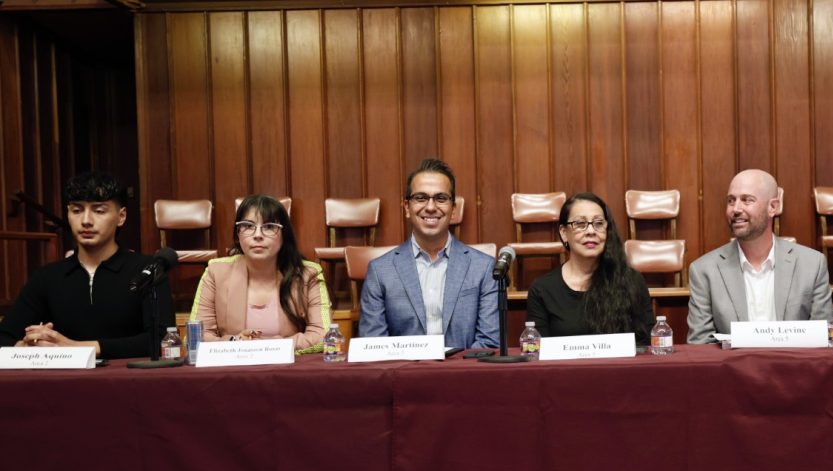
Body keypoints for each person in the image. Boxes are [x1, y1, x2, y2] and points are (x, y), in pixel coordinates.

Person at [0, 171, 173, 357]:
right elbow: (4, 336)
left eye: (99, 211)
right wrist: (25, 346)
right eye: (77, 210)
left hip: (128, 382)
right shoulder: (48, 277)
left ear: (121, 216)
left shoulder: (147, 271)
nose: (86, 221)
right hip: (63, 383)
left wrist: (74, 347)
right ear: (68, 214)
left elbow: (161, 339)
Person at [358, 159, 499, 349]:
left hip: (463, 375)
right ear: (407, 208)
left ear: (453, 209)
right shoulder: (380, 271)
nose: (431, 207)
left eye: (441, 198)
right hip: (403, 376)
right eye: (421, 198)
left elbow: (489, 342)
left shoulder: (483, 267)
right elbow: (372, 345)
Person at [687, 169, 833, 344]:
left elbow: (822, 337)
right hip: (733, 369)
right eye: (731, 201)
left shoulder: (812, 264)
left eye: (747, 200)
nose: (736, 209)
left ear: (773, 207)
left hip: (795, 368)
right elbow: (701, 344)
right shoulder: (704, 270)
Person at [190, 194, 331, 354]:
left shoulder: (308, 274)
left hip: (288, 371)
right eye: (248, 226)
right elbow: (196, 338)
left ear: (284, 235)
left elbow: (324, 336)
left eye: (269, 227)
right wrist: (234, 342)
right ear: (238, 234)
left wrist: (272, 347)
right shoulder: (216, 272)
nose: (258, 235)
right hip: (233, 372)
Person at [526, 191, 655, 344]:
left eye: (598, 223)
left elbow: (646, 344)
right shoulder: (542, 289)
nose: (591, 231)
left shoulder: (631, 281)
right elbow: (538, 353)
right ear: (564, 233)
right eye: (580, 224)